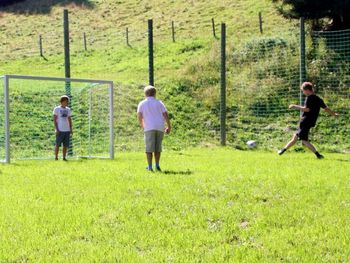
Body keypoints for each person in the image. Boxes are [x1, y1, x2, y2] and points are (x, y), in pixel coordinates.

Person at [278, 82, 339, 159]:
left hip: (305, 121)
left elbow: (307, 109)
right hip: (311, 121)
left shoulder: (309, 98)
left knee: (304, 140)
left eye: (303, 91)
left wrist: (294, 106)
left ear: (307, 90)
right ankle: (282, 150)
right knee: (295, 138)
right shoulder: (318, 99)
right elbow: (326, 108)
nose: (303, 93)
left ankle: (318, 155)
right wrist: (334, 114)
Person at [137, 85, 171, 171]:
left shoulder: (142, 103)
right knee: (157, 148)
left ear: (145, 94)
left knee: (149, 148)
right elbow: (165, 115)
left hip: (149, 127)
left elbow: (139, 115)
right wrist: (169, 126)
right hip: (160, 127)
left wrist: (142, 125)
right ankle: (157, 165)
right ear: (155, 94)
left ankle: (150, 167)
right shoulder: (159, 103)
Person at [53, 95, 73, 161]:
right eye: (65, 101)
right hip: (60, 130)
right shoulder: (57, 109)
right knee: (57, 144)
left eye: (67, 102)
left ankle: (64, 157)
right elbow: (54, 119)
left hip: (67, 130)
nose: (67, 103)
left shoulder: (68, 109)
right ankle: (56, 157)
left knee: (65, 145)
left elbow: (69, 119)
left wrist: (71, 129)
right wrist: (56, 129)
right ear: (61, 102)